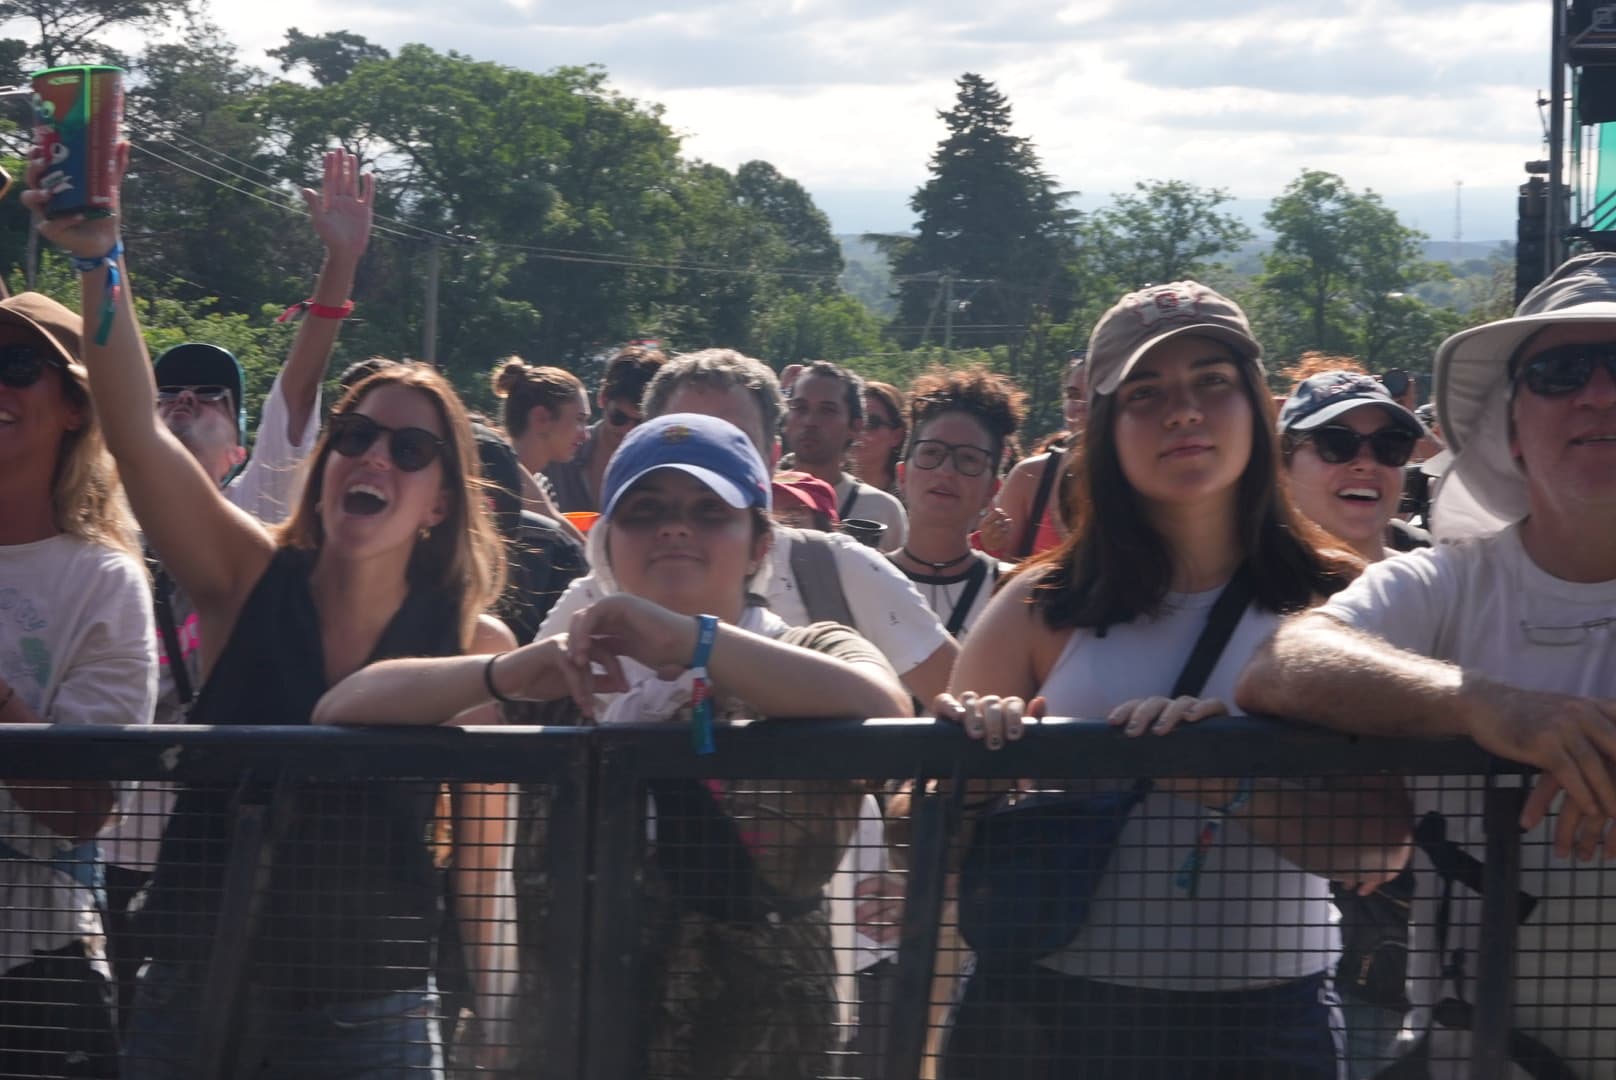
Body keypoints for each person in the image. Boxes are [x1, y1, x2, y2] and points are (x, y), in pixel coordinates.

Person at [26, 149, 518, 1075]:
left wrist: (499, 1011)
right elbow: (135, 430)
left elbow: (484, 873)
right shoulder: (245, 578)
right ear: (325, 462)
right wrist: (101, 257)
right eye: (356, 436)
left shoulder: (476, 647)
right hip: (194, 993)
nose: (375, 458)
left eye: (411, 449)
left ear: (443, 502)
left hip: (372, 1017)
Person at [315, 413, 911, 1080]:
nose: (674, 527)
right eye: (645, 509)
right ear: (604, 542)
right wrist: (504, 671)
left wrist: (696, 642)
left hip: (759, 1056)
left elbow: (886, 707)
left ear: (759, 544)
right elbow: (341, 708)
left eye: (709, 511)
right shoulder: (568, 670)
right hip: (563, 1050)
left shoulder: (807, 649)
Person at [934, 281, 1409, 1079]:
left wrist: (1220, 780)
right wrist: (974, 768)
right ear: (1103, 425)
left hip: (1266, 1031)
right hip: (1044, 1025)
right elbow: (923, 839)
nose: (1182, 412)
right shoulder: (1036, 601)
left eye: (1211, 383)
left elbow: (1383, 841)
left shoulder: (1343, 598)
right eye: (1146, 393)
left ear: (1258, 404)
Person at [1237, 251, 1616, 1077]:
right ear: (1512, 427)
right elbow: (1283, 661)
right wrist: (1488, 707)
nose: (1599, 393)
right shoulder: (1447, 583)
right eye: (1560, 371)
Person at [100, 149, 376, 1021]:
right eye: (170, 391)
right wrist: (97, 253)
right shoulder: (103, 507)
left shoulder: (262, 500)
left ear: (241, 432)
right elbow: (122, 400)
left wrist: (339, 263)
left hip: (221, 835)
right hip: (113, 834)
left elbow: (301, 377)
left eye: (209, 396)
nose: (184, 404)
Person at [538, 347, 960, 707]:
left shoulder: (836, 569)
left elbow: (959, 698)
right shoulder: (586, 612)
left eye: (729, 440)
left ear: (772, 459)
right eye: (646, 507)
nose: (700, 460)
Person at [0, 291, 156, 1077]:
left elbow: (86, 806)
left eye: (16, 365)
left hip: (33, 974)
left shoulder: (103, 580)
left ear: (73, 408)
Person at [889, 365, 1024, 641]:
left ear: (992, 488)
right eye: (931, 452)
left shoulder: (1016, 595)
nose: (946, 470)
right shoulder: (860, 578)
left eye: (968, 458)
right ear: (902, 474)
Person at [1280, 370, 1429, 561]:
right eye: (1336, 442)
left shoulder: (1438, 586)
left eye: (1391, 443)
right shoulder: (1244, 587)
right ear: (1282, 468)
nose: (1367, 463)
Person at [784, 360, 907, 550]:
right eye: (800, 408)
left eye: (827, 411)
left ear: (855, 427)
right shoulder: (763, 496)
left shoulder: (882, 510)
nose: (810, 421)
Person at [982, 352, 1087, 559]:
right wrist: (992, 543)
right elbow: (999, 570)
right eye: (1073, 395)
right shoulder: (1029, 477)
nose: (1081, 406)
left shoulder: (1140, 476)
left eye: (1095, 394)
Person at [542, 342, 666, 513]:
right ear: (602, 398)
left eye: (640, 423)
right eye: (619, 418)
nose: (627, 431)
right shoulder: (558, 455)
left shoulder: (664, 469)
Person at [851, 380, 907, 498]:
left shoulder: (908, 501)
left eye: (871, 423)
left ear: (897, 436)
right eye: (854, 420)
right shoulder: (826, 488)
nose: (859, 429)